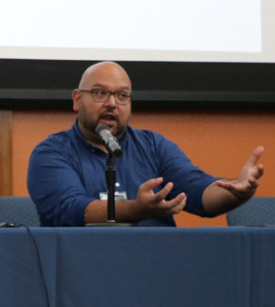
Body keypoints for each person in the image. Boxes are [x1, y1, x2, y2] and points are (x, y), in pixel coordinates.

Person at [27, 60, 264, 227]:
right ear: (78, 99)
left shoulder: (153, 146)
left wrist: (237, 191)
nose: (112, 103)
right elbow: (71, 210)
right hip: (81, 268)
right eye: (100, 93)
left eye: (122, 96)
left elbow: (198, 192)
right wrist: (137, 209)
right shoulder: (51, 153)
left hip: (155, 265)